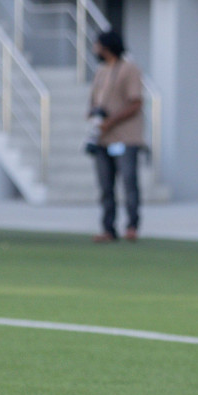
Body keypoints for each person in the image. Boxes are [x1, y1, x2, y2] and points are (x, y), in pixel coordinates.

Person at [87, 29, 145, 243]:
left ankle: (132, 226)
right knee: (105, 186)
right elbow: (94, 102)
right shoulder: (101, 71)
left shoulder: (129, 69)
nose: (95, 49)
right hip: (102, 138)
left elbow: (136, 103)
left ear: (107, 46)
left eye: (98, 45)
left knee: (129, 182)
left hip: (125, 137)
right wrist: (95, 117)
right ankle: (108, 228)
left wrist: (111, 121)